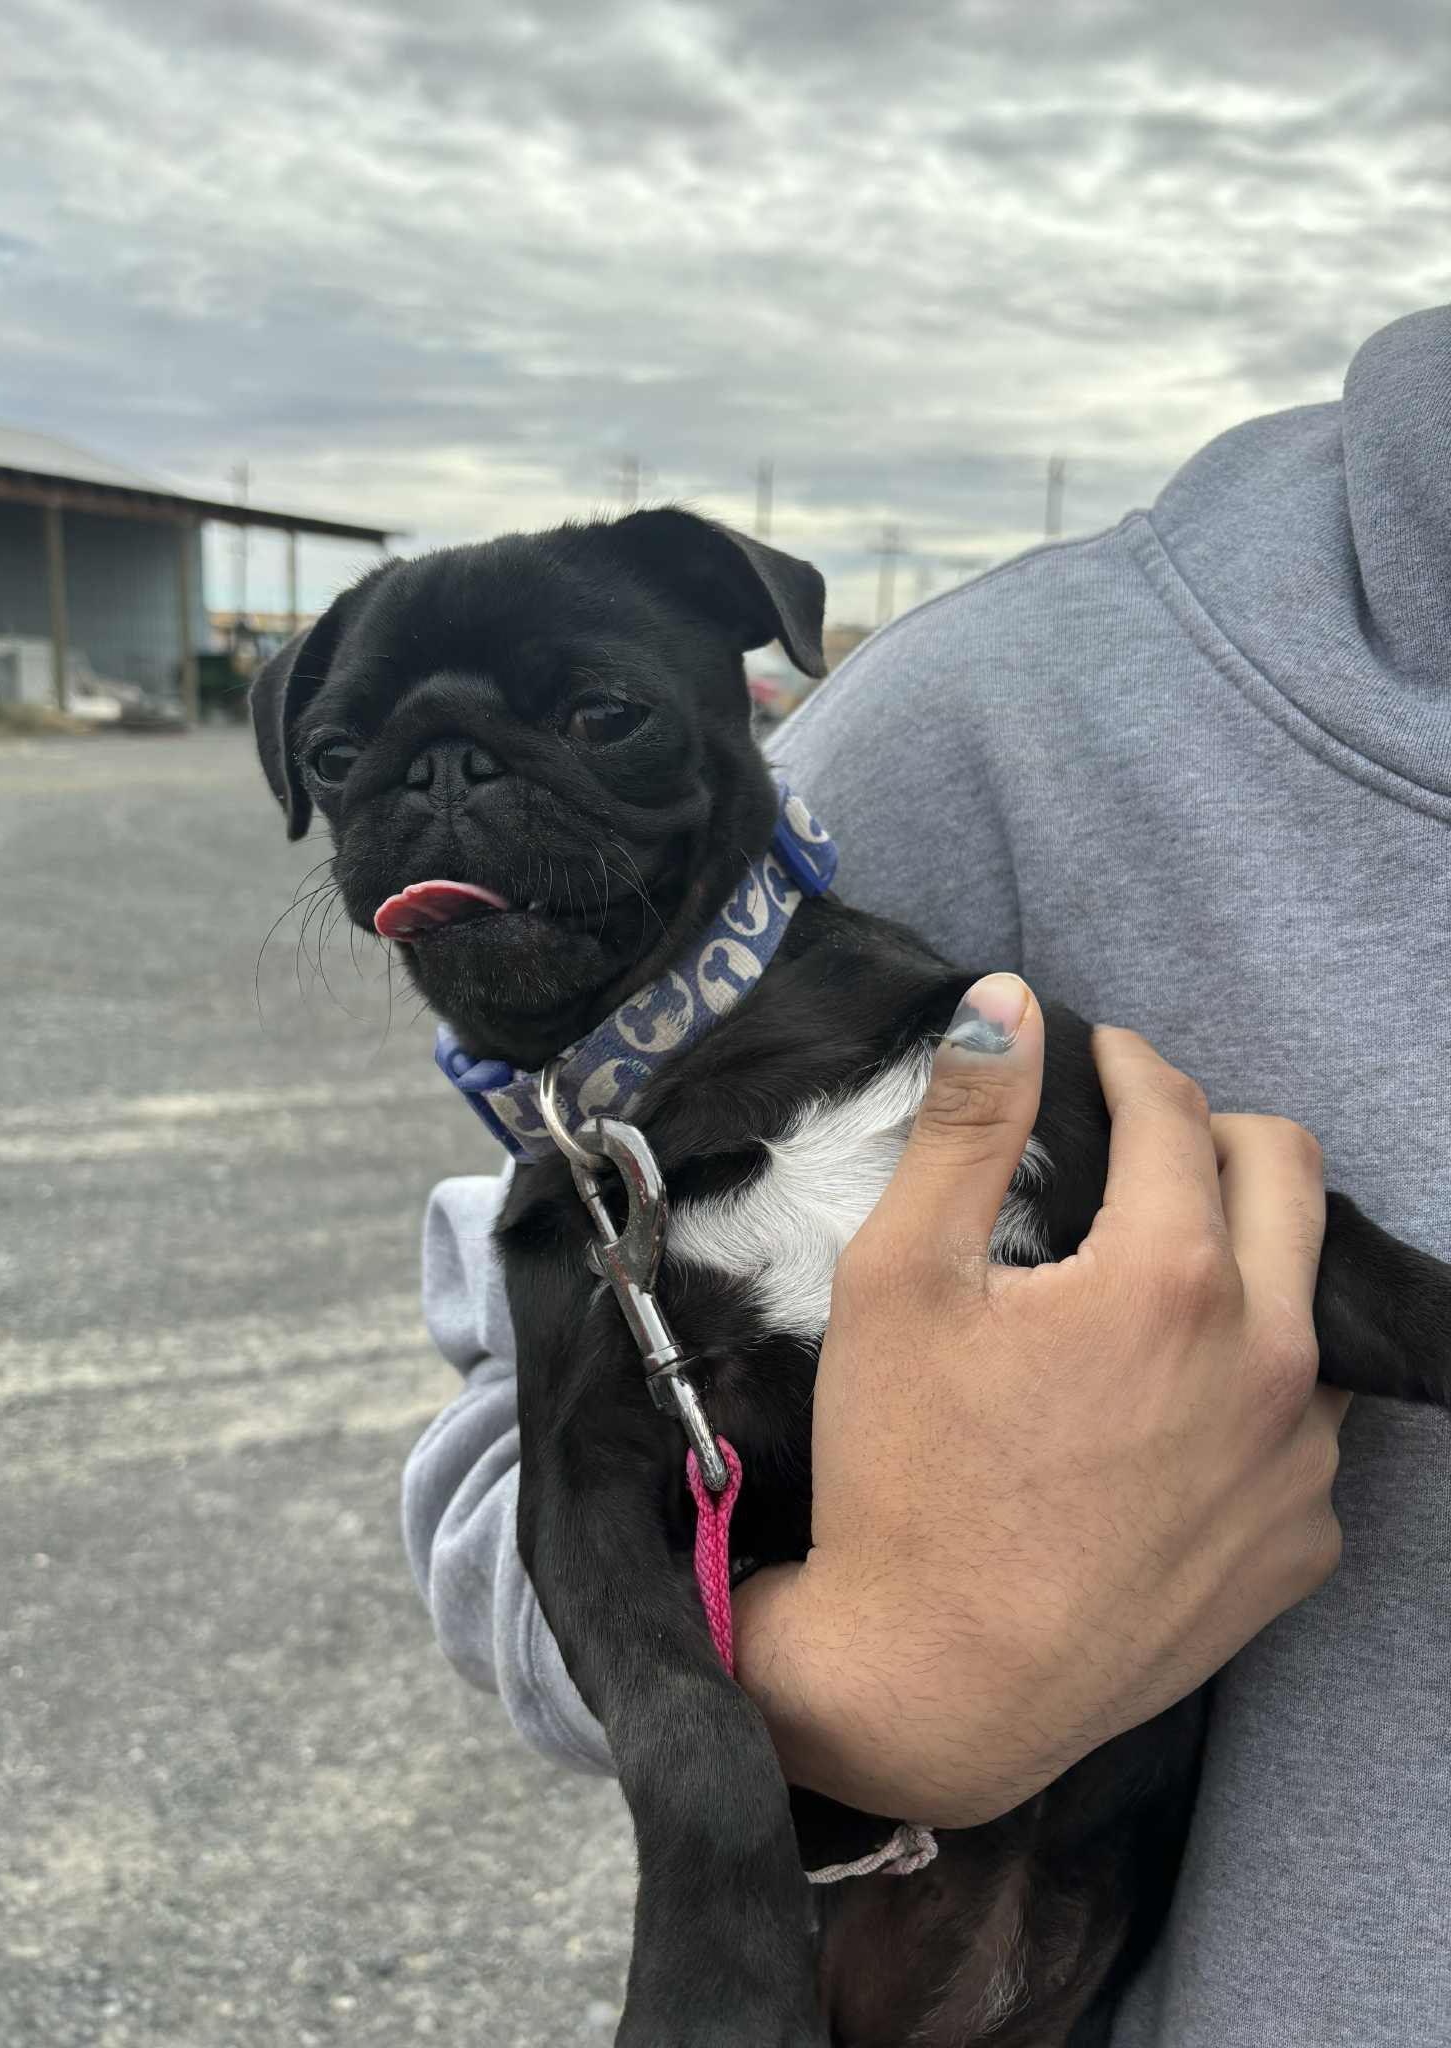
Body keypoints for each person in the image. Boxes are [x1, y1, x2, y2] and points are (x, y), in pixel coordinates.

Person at [402, 304, 1451, 2044]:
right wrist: (864, 1689)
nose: (453, 796)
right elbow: (510, 1468)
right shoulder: (989, 720)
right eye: (353, 765)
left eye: (596, 719)